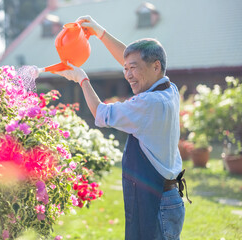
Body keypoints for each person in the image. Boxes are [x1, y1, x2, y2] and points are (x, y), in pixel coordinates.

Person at [56, 16, 191, 240]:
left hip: (157, 203)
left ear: (156, 66)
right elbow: (134, 61)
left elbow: (101, 113)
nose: (128, 74)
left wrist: (82, 79)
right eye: (125, 69)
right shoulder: (169, 89)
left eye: (133, 69)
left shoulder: (147, 103)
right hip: (169, 198)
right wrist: (100, 33)